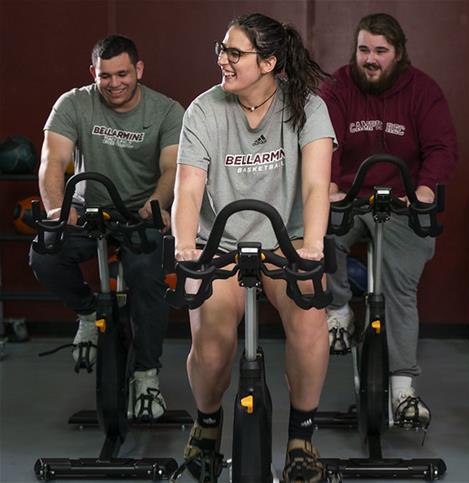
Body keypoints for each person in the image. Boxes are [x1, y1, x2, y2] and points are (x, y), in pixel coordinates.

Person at [172, 13, 335, 483]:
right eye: (220, 49)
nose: (223, 59)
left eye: (234, 53)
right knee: (212, 344)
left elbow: (314, 187)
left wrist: (315, 246)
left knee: (309, 321)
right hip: (217, 242)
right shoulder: (203, 110)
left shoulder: (307, 107)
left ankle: (302, 436)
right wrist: (185, 245)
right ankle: (206, 424)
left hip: (288, 241)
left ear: (268, 62)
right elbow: (188, 188)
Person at [30, 34, 183, 421]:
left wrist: (156, 205)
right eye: (105, 76)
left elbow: (171, 169)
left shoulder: (166, 111)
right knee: (45, 254)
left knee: (147, 274)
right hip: (85, 209)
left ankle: (146, 375)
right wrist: (56, 211)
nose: (115, 83)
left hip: (139, 210)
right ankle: (86, 315)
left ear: (139, 70)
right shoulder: (74, 103)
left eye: (123, 74)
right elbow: (52, 162)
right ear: (93, 74)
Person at [319, 13, 458, 428]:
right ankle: (340, 311)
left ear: (398, 54)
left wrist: (426, 188)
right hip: (347, 197)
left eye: (380, 51)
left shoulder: (423, 91)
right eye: (364, 50)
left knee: (399, 287)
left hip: (402, 203)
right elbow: (322, 141)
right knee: (315, 237)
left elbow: (442, 148)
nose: (371, 59)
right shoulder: (337, 88)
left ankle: (402, 391)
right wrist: (327, 184)